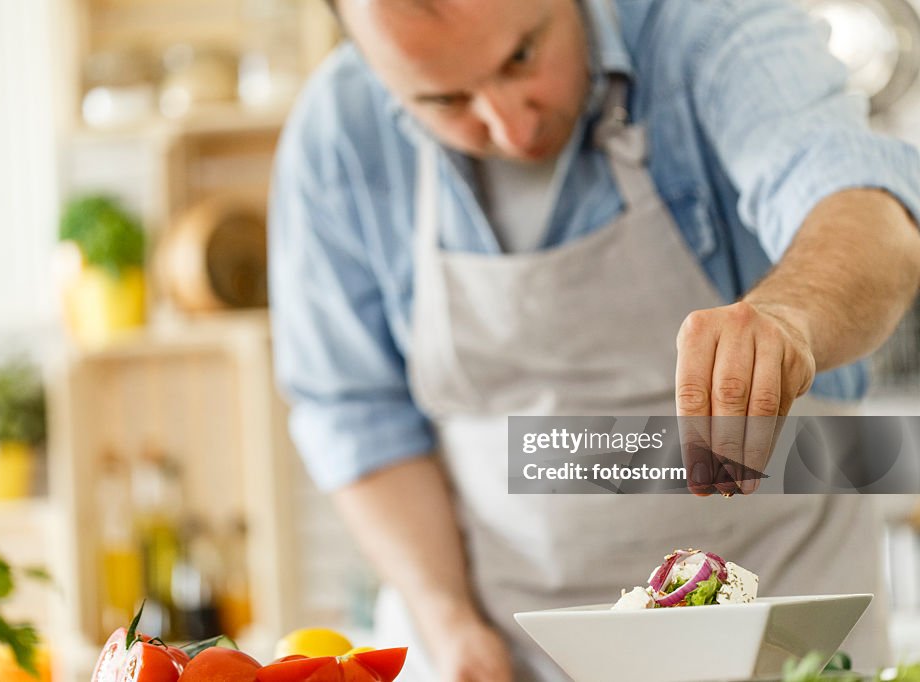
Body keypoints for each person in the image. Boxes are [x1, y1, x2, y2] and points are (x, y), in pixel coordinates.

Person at [268, 0, 920, 679]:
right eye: (445, 99)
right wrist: (449, 623)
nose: (512, 128)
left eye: (522, 55)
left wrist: (793, 316)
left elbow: (861, 203)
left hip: (782, 633)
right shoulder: (337, 132)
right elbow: (356, 413)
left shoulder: (710, 26)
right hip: (504, 654)